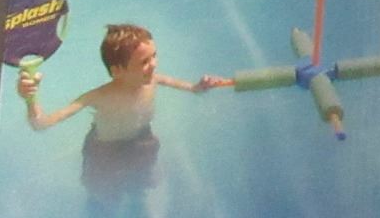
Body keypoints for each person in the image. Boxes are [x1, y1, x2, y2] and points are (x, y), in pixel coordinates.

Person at [16, 23, 230, 197]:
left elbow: (192, 89)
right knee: (101, 190)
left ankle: (137, 195)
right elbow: (41, 123)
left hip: (142, 139)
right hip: (104, 148)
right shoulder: (98, 96)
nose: (154, 64)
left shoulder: (153, 80)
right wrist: (29, 98)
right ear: (117, 71)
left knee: (143, 181)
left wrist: (202, 85)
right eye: (144, 62)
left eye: (154, 56)